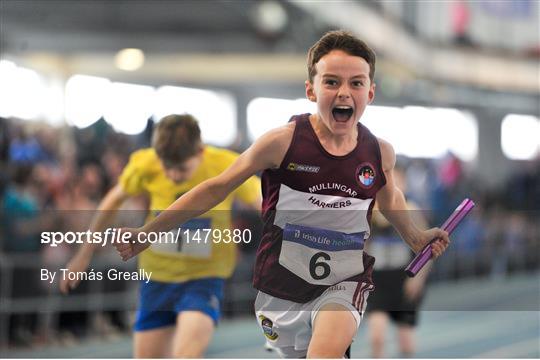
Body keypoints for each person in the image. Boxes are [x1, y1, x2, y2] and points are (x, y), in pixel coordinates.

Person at [114, 30, 450, 358]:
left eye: (356, 83)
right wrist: (149, 232)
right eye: (332, 82)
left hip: (345, 280)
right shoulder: (282, 143)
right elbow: (216, 188)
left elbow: (389, 198)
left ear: (370, 93)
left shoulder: (379, 152)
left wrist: (414, 236)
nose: (344, 92)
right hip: (280, 286)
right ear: (311, 90)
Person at [60, 114, 261, 358]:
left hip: (204, 278)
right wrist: (84, 254)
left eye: (182, 169)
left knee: (185, 355)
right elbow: (111, 202)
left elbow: (261, 200)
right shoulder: (146, 164)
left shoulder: (225, 164)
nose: (174, 176)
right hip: (157, 278)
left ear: (199, 152)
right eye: (167, 168)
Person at [366, 168, 431, 358]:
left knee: (406, 343)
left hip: (404, 279)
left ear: (404, 185)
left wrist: (418, 279)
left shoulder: (412, 210)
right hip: (378, 279)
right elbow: (362, 246)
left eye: (398, 182)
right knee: (376, 337)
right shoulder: (371, 210)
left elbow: (426, 251)